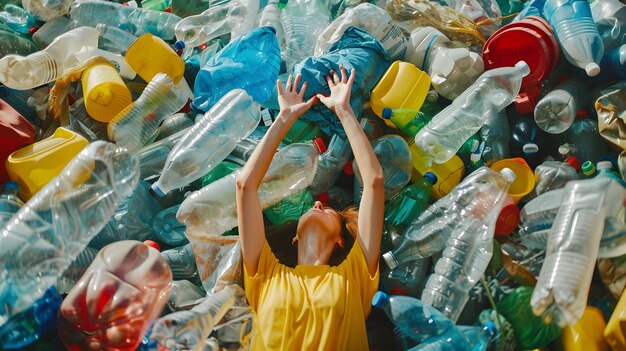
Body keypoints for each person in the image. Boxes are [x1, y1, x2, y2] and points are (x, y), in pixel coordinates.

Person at [236, 66, 384, 350]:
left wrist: (344, 111)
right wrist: (284, 117)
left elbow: (374, 182)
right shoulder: (265, 272)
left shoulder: (355, 274)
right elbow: (245, 186)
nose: (318, 202)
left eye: (329, 211)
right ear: (294, 238)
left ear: (341, 241)